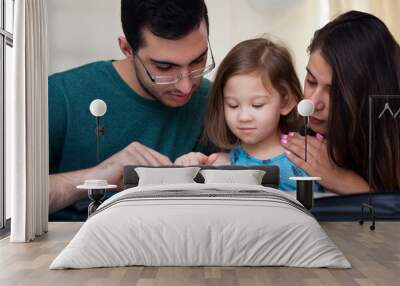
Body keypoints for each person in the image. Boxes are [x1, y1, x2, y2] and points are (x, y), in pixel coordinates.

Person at [48, 0, 217, 217]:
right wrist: (96, 177)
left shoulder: (215, 102)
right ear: (127, 49)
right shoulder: (60, 96)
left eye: (198, 61)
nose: (185, 86)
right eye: (164, 67)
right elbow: (9, 201)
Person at [281, 11, 400, 194]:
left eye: (334, 92)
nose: (313, 103)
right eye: (311, 81)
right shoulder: (291, 130)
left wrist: (341, 180)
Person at [177, 38, 313, 191]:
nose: (243, 117)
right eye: (232, 105)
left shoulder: (306, 161)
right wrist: (187, 169)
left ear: (286, 102)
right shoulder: (219, 164)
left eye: (257, 105)